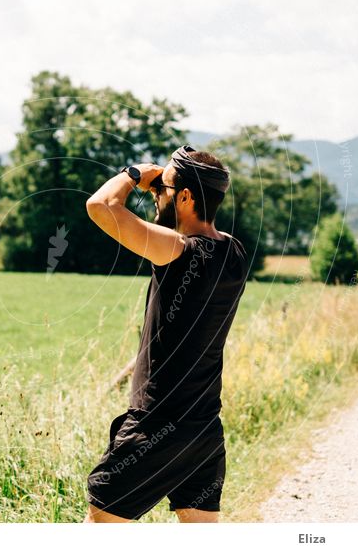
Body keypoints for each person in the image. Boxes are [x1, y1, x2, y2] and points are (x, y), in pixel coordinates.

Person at [83, 145, 249, 523]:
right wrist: (165, 180)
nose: (156, 195)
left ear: (187, 197)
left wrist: (135, 174)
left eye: (164, 189)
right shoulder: (235, 253)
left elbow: (100, 206)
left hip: (156, 426)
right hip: (204, 429)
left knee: (99, 526)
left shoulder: (179, 250)